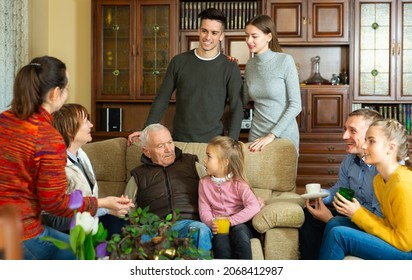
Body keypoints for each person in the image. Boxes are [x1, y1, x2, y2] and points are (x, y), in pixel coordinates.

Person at [0, 56, 131, 260]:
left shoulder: (4, 120)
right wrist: (103, 203)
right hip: (22, 234)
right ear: (55, 93)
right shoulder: (48, 138)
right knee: (86, 257)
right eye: (66, 88)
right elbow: (55, 203)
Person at [128, 8, 243, 144]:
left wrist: (232, 142)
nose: (208, 37)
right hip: (179, 141)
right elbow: (162, 99)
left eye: (214, 33)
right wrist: (146, 130)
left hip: (213, 144)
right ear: (199, 31)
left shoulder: (230, 67)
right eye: (204, 31)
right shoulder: (179, 61)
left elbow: (237, 107)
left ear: (222, 35)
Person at [319, 119, 412, 259]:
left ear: (390, 148)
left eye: (371, 141)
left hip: (407, 252)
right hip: (397, 240)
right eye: (365, 140)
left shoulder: (402, 184)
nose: (364, 146)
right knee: (335, 222)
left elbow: (405, 243)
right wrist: (356, 213)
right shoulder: (379, 181)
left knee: (339, 235)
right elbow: (386, 224)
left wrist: (358, 213)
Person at [299, 108, 383, 259]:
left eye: (352, 131)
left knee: (334, 222)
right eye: (345, 130)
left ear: (371, 135)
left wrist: (329, 218)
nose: (344, 136)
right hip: (353, 214)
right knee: (308, 215)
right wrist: (319, 196)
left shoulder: (383, 168)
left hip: (373, 223)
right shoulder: (349, 160)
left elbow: (379, 221)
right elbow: (340, 189)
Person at [40, 103, 134, 237]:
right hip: (66, 233)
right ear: (69, 130)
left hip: (87, 223)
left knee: (124, 226)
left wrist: (112, 208)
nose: (91, 125)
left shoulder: (81, 155)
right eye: (85, 121)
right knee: (118, 230)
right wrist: (106, 208)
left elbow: (90, 202)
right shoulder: (53, 166)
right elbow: (52, 220)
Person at [125, 123, 213, 253]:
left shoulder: (191, 164)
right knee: (137, 237)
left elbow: (214, 191)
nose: (169, 149)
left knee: (200, 230)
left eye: (170, 142)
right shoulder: (139, 175)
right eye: (160, 146)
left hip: (189, 223)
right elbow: (127, 208)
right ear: (147, 152)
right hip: (153, 227)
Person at [244, 15, 301, 152]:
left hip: (283, 134)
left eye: (254, 36)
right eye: (246, 36)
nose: (249, 40)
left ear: (268, 37)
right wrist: (230, 68)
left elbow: (296, 105)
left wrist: (272, 135)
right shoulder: (250, 65)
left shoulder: (285, 61)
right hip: (256, 135)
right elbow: (243, 99)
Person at [198, 136, 261, 259]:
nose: (204, 160)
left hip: (241, 224)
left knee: (240, 234)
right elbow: (204, 210)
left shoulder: (239, 183)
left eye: (209, 156)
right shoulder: (203, 183)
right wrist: (212, 223)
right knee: (220, 242)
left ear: (225, 162)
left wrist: (230, 221)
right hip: (218, 227)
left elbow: (254, 206)